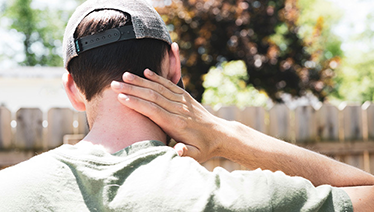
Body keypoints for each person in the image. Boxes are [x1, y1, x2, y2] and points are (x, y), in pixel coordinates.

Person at [0, 0, 372, 211]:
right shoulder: (237, 198)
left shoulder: (7, 192)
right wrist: (225, 135)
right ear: (174, 64)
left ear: (72, 87)